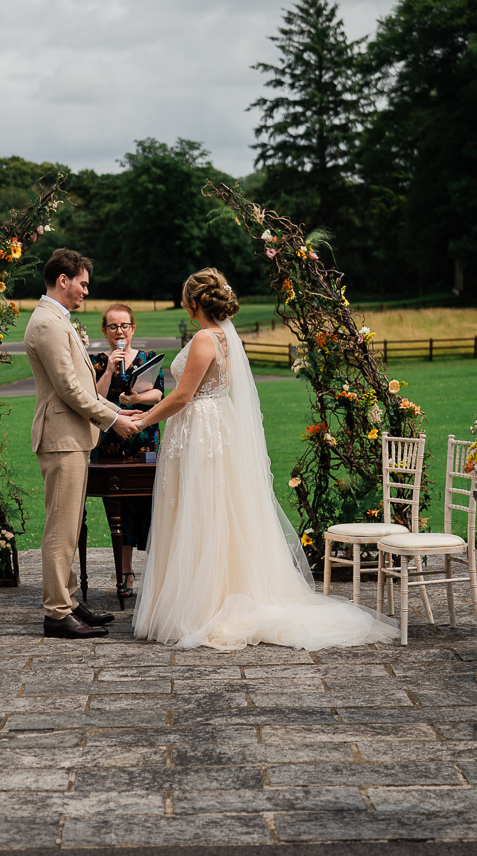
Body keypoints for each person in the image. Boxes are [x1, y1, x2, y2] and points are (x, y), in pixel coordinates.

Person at [130, 269, 397, 651]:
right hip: (210, 425)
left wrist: (142, 419)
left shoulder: (206, 338)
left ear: (192, 302)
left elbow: (183, 395)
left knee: (204, 509)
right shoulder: (222, 337)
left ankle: (204, 604)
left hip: (202, 430)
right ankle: (202, 594)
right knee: (209, 509)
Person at [25, 249, 136, 639]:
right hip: (61, 437)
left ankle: (69, 600)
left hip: (71, 436)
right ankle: (57, 613)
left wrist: (117, 412)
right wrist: (113, 419)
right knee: (60, 527)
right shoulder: (48, 324)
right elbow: (70, 389)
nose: (86, 291)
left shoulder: (56, 319)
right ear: (63, 280)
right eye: (83, 283)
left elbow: (80, 386)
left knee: (69, 524)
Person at [91, 303, 164, 596]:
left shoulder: (146, 359)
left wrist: (135, 400)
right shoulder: (97, 362)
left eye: (124, 326)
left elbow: (159, 393)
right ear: (105, 331)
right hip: (110, 443)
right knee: (117, 511)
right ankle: (125, 574)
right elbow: (92, 397)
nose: (119, 332)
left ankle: (157, 577)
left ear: (133, 328)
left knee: (149, 507)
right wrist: (109, 369)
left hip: (143, 439)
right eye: (113, 327)